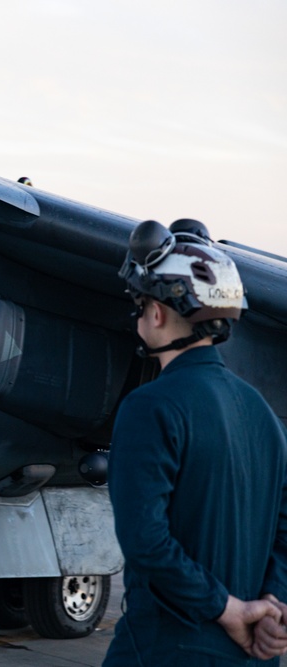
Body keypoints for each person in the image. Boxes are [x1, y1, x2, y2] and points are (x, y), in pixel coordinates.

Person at [103, 219, 287, 665]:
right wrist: (269, 611)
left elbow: (147, 542)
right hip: (250, 656)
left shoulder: (150, 408)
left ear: (159, 313)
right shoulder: (263, 413)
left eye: (142, 301)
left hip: (165, 648)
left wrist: (227, 610)